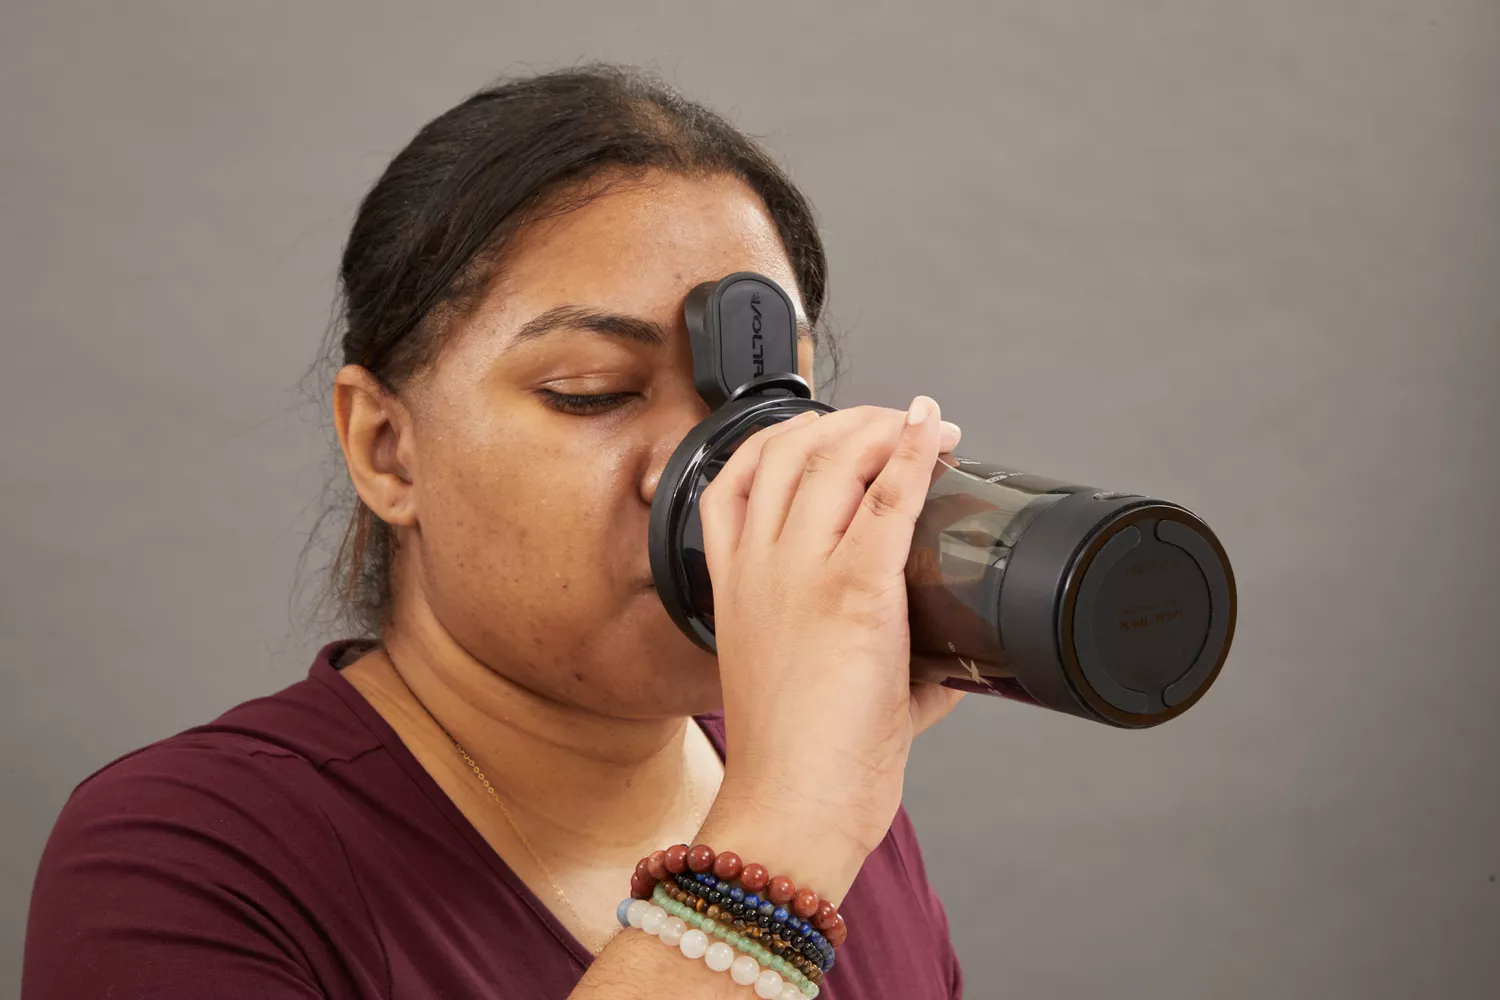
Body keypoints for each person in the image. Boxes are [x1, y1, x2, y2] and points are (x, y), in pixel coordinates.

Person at [22, 64, 967, 999]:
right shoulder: (187, 862)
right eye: (591, 394)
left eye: (765, 399)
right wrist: (786, 833)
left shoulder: (833, 805)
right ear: (387, 449)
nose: (715, 472)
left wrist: (814, 803)